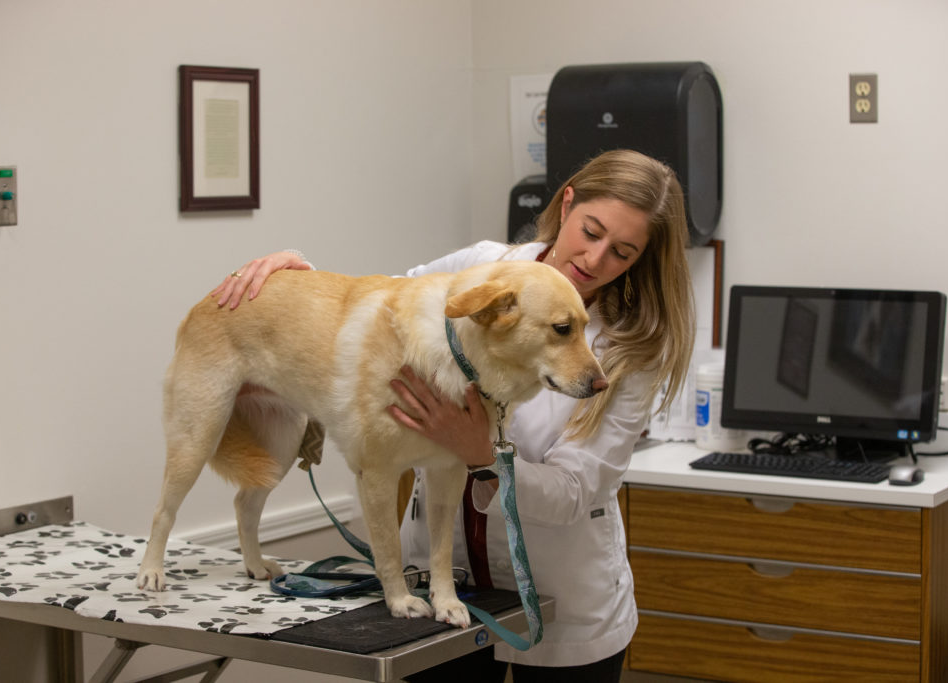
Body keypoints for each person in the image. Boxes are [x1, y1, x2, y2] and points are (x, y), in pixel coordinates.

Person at [212, 149, 695, 683]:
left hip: (566, 606)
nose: (594, 259)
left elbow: (576, 493)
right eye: (591, 230)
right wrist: (294, 273)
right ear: (569, 202)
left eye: (622, 252)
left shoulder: (630, 348)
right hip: (441, 585)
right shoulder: (481, 268)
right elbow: (376, 302)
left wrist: (480, 452)